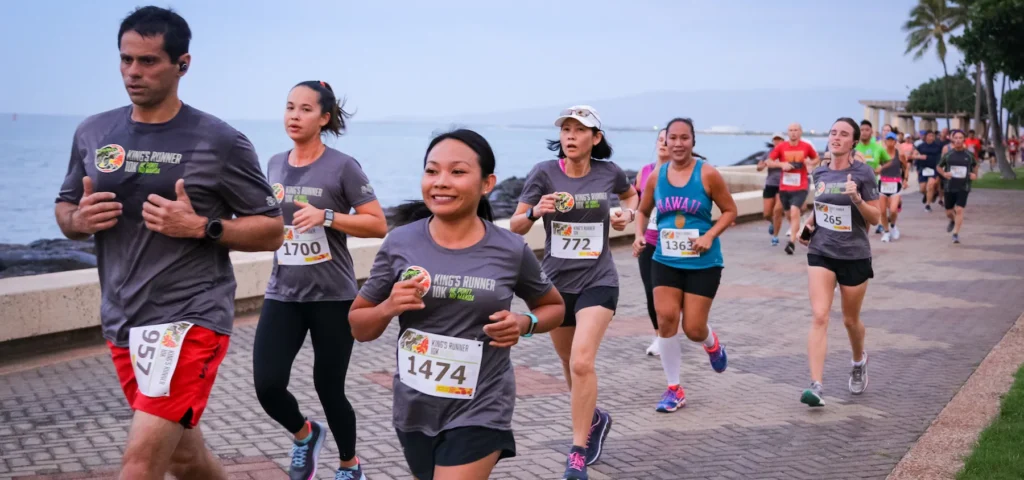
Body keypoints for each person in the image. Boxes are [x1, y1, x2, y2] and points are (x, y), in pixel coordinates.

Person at [54, 7, 285, 479]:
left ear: (183, 64)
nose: (133, 73)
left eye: (149, 61)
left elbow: (271, 227)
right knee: (184, 456)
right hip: (122, 317)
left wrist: (204, 227)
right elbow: (63, 210)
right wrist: (78, 220)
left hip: (190, 317)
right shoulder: (95, 132)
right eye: (126, 60)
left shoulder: (219, 141)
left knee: (139, 462)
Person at [349, 129, 565, 480]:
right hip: (415, 408)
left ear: (487, 183)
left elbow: (553, 307)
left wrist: (524, 324)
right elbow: (359, 326)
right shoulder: (400, 242)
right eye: (432, 171)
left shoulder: (510, 248)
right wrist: (389, 306)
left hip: (483, 406)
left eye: (458, 172)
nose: (441, 182)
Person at [252, 81, 387, 480]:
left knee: (329, 388)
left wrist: (327, 216)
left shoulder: (343, 166)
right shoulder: (275, 163)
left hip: (333, 296)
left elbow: (378, 224)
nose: (294, 115)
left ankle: (349, 465)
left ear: (324, 118)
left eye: (305, 109)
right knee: (268, 385)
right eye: (290, 107)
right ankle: (305, 434)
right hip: (283, 293)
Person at [510, 105, 638, 480]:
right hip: (554, 286)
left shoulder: (609, 172)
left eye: (579, 130)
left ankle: (577, 452)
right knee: (570, 367)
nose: (570, 136)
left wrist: (627, 216)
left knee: (582, 362)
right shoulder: (544, 173)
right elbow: (515, 226)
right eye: (566, 129)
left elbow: (633, 199)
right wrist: (535, 211)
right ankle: (595, 419)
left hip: (599, 280)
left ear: (595, 138)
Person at [635, 117, 738, 414]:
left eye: (684, 138)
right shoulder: (657, 176)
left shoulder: (707, 174)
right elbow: (642, 210)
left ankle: (712, 343)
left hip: (703, 262)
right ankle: (674, 388)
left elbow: (730, 211)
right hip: (665, 259)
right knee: (666, 319)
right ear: (664, 142)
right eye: (672, 138)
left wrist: (709, 235)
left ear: (693, 141)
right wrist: (640, 235)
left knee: (693, 328)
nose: (678, 144)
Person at [797, 117, 881, 407]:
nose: (836, 138)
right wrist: (807, 226)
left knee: (850, 320)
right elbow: (820, 209)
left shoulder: (863, 173)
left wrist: (857, 199)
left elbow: (876, 217)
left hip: (854, 255)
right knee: (820, 316)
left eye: (843, 134)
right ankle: (816, 386)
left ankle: (859, 360)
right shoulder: (820, 172)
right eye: (833, 133)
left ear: (854, 142)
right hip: (821, 250)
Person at [633, 128, 670, 356]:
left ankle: (670, 330)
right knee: (650, 290)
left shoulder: (682, 173)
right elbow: (639, 207)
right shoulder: (644, 172)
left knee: (671, 293)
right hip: (649, 240)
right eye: (661, 140)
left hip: (674, 241)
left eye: (669, 140)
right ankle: (660, 336)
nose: (664, 144)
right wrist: (638, 234)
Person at [765, 123, 819, 255]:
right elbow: (769, 161)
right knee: (789, 215)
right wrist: (782, 164)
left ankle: (792, 243)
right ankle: (797, 228)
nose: (793, 132)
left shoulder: (806, 147)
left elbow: (816, 158)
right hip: (785, 187)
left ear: (800, 132)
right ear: (787, 133)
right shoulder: (782, 147)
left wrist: (810, 163)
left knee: (795, 211)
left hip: (801, 185)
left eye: (796, 130)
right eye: (791, 130)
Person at [938, 130, 979, 244]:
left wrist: (975, 175)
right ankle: (953, 220)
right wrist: (944, 174)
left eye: (960, 138)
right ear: (952, 139)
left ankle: (955, 234)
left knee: (960, 209)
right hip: (949, 186)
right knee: (949, 212)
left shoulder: (969, 155)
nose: (958, 140)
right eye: (956, 138)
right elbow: (939, 167)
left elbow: (975, 165)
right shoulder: (948, 154)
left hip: (963, 186)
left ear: (963, 139)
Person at [877, 133, 908, 243]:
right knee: (883, 211)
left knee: (893, 210)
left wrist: (905, 180)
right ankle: (886, 232)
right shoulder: (881, 153)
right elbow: (876, 166)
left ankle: (893, 226)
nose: (890, 142)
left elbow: (906, 166)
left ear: (895, 142)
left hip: (895, 183)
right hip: (883, 183)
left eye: (892, 140)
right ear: (885, 141)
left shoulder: (899, 154)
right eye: (888, 140)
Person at [756, 133, 786, 246]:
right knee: (767, 213)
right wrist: (763, 164)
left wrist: (776, 164)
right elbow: (759, 167)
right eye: (775, 140)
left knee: (777, 210)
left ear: (783, 141)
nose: (777, 142)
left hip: (783, 185)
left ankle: (775, 236)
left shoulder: (786, 152)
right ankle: (773, 223)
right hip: (770, 184)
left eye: (779, 139)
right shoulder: (768, 153)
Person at [915, 131, 944, 211]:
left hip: (934, 169)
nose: (931, 137)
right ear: (926, 137)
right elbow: (916, 156)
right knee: (922, 189)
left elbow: (942, 157)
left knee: (931, 185)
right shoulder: (920, 146)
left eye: (933, 135)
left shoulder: (938, 146)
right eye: (930, 135)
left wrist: (940, 166)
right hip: (923, 169)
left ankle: (927, 205)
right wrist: (917, 167)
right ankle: (931, 194)